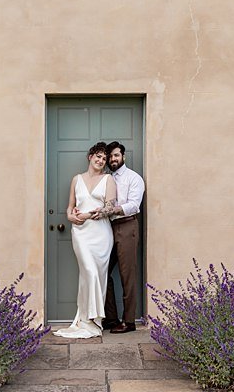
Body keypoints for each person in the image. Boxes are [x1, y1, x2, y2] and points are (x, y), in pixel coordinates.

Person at [54, 142, 118, 339]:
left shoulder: (108, 179)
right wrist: (71, 217)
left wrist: (87, 216)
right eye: (98, 156)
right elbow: (70, 206)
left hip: (101, 234)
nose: (101, 160)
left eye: (104, 158)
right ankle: (86, 319)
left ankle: (93, 320)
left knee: (96, 275)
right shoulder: (76, 179)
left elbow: (109, 207)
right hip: (81, 233)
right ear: (90, 157)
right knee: (88, 271)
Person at [97, 141, 145, 334]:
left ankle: (129, 321)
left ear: (123, 156)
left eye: (116, 155)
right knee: (102, 271)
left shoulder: (134, 178)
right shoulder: (105, 179)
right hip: (108, 228)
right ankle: (111, 318)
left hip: (127, 226)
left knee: (127, 275)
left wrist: (113, 209)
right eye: (110, 156)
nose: (112, 159)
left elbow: (134, 204)